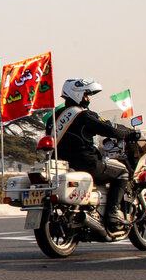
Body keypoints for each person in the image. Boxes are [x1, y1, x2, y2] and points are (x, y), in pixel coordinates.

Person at [47, 77, 140, 228]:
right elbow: (108, 129)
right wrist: (128, 134)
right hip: (86, 164)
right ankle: (113, 213)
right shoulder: (84, 115)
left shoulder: (53, 119)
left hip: (60, 166)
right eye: (86, 94)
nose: (88, 98)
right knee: (122, 172)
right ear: (76, 94)